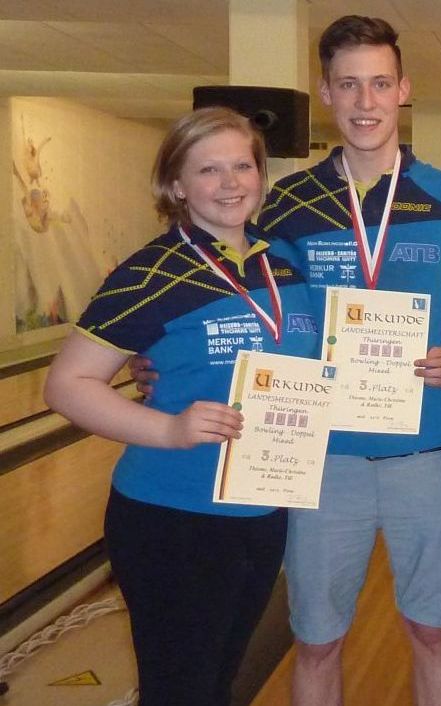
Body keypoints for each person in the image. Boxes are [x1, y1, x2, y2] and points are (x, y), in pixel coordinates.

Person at [133, 15, 441, 706]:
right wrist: (165, 367)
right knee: (317, 640)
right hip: (316, 459)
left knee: (431, 633)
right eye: (348, 86)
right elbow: (242, 302)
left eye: (379, 84)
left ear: (403, 90)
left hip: (426, 455)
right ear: (325, 94)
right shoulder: (287, 204)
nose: (365, 102)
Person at [45, 107, 320, 705]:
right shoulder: (149, 274)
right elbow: (67, 385)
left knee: (218, 682)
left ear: (261, 174)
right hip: (173, 517)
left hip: (261, 512)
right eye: (208, 170)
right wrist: (169, 428)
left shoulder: (283, 265)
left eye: (242, 166)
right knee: (181, 690)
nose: (229, 183)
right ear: (175, 185)